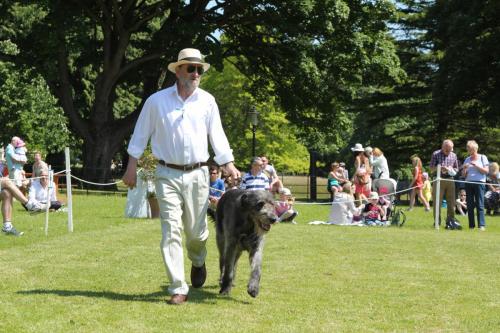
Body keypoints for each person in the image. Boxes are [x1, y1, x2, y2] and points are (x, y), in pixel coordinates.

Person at [122, 48, 240, 305]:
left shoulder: (208, 101)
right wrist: (131, 166)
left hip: (199, 174)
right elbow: (140, 135)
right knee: (171, 230)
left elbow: (217, 136)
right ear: (178, 71)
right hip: (166, 174)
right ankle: (178, 287)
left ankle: (198, 261)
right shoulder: (156, 101)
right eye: (191, 68)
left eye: (199, 69)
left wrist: (228, 164)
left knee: (196, 234)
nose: (196, 73)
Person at [430, 139, 460, 229]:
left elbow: (456, 169)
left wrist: (450, 170)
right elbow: (431, 169)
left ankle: (450, 223)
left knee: (451, 203)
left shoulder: (454, 155)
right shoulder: (436, 154)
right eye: (446, 149)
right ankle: (437, 223)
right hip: (438, 179)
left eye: (450, 149)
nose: (448, 151)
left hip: (450, 180)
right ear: (443, 147)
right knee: (437, 202)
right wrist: (439, 168)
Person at [462, 140, 489, 230]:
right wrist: (465, 169)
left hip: (479, 183)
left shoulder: (482, 157)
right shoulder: (467, 159)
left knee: (480, 204)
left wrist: (476, 165)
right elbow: (463, 175)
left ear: (475, 149)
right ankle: (471, 226)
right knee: (469, 205)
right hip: (469, 183)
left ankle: (481, 225)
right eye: (468, 149)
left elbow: (486, 171)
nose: (469, 151)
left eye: (470, 149)